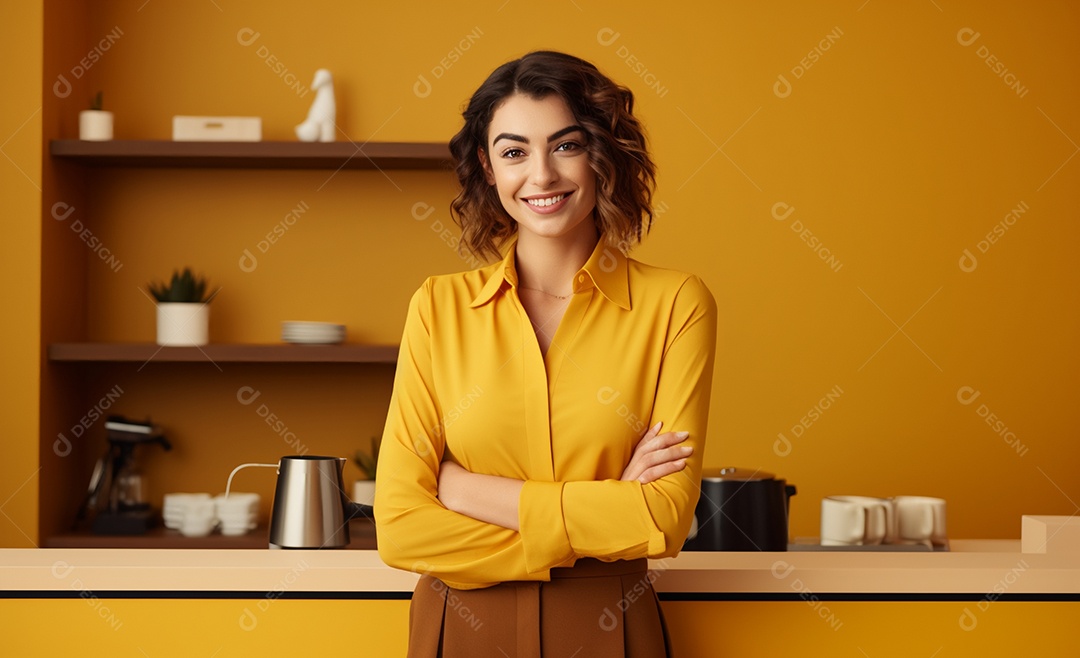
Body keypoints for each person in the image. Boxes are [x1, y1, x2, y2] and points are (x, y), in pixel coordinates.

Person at [375, 50, 717, 657]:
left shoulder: (676, 304)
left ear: (602, 153)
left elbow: (663, 520)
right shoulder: (437, 307)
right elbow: (401, 530)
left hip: (611, 632)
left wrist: (463, 490)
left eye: (565, 146)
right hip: (461, 635)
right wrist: (603, 516)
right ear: (487, 166)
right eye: (513, 152)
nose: (542, 176)